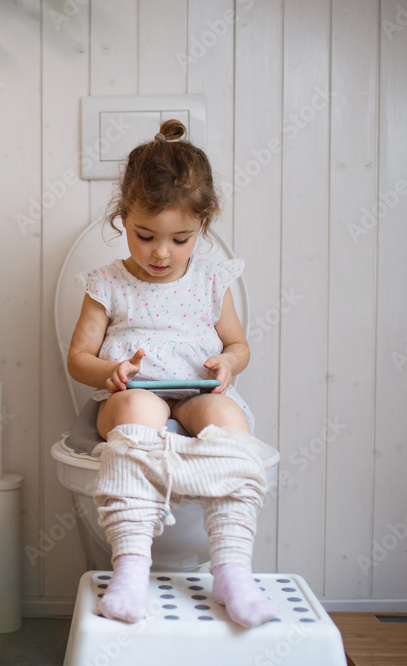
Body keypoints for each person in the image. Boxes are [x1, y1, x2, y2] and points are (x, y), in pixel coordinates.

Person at [66, 119, 277, 627]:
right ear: (123, 219)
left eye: (180, 239)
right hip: (135, 393)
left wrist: (228, 363)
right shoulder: (107, 284)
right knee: (140, 410)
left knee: (228, 419)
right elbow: (77, 358)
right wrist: (113, 370)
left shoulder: (210, 281)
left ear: (202, 226)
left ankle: (231, 570)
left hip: (196, 393)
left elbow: (238, 344)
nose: (161, 252)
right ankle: (131, 568)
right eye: (145, 236)